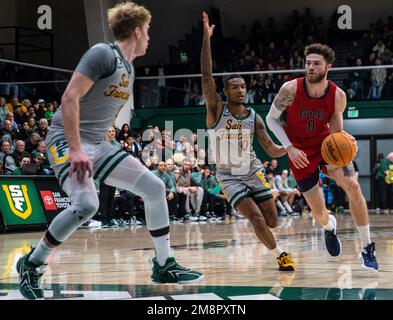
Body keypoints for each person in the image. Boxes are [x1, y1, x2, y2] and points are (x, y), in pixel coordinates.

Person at [16, 2, 203, 300]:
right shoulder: (103, 54)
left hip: (99, 143)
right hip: (66, 139)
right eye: (149, 31)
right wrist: (77, 149)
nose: (150, 38)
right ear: (138, 30)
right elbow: (69, 97)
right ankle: (32, 263)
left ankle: (164, 264)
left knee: (154, 188)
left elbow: (99, 111)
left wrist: (107, 147)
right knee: (87, 204)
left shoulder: (129, 68)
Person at [266, 43, 378, 271]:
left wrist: (347, 142)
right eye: (308, 63)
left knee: (354, 186)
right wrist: (289, 147)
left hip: (325, 147)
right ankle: (329, 228)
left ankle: (367, 247)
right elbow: (271, 120)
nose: (310, 67)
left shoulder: (337, 95)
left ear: (328, 66)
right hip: (298, 152)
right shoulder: (290, 89)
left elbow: (337, 134)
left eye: (316, 63)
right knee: (319, 213)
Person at [201, 12, 295, 271]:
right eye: (235, 87)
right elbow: (207, 75)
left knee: (272, 221)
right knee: (256, 218)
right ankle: (281, 255)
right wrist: (206, 39)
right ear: (226, 91)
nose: (240, 90)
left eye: (243, 86)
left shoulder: (255, 118)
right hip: (228, 176)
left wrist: (289, 148)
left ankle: (269, 235)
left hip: (253, 171)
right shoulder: (217, 109)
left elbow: (269, 148)